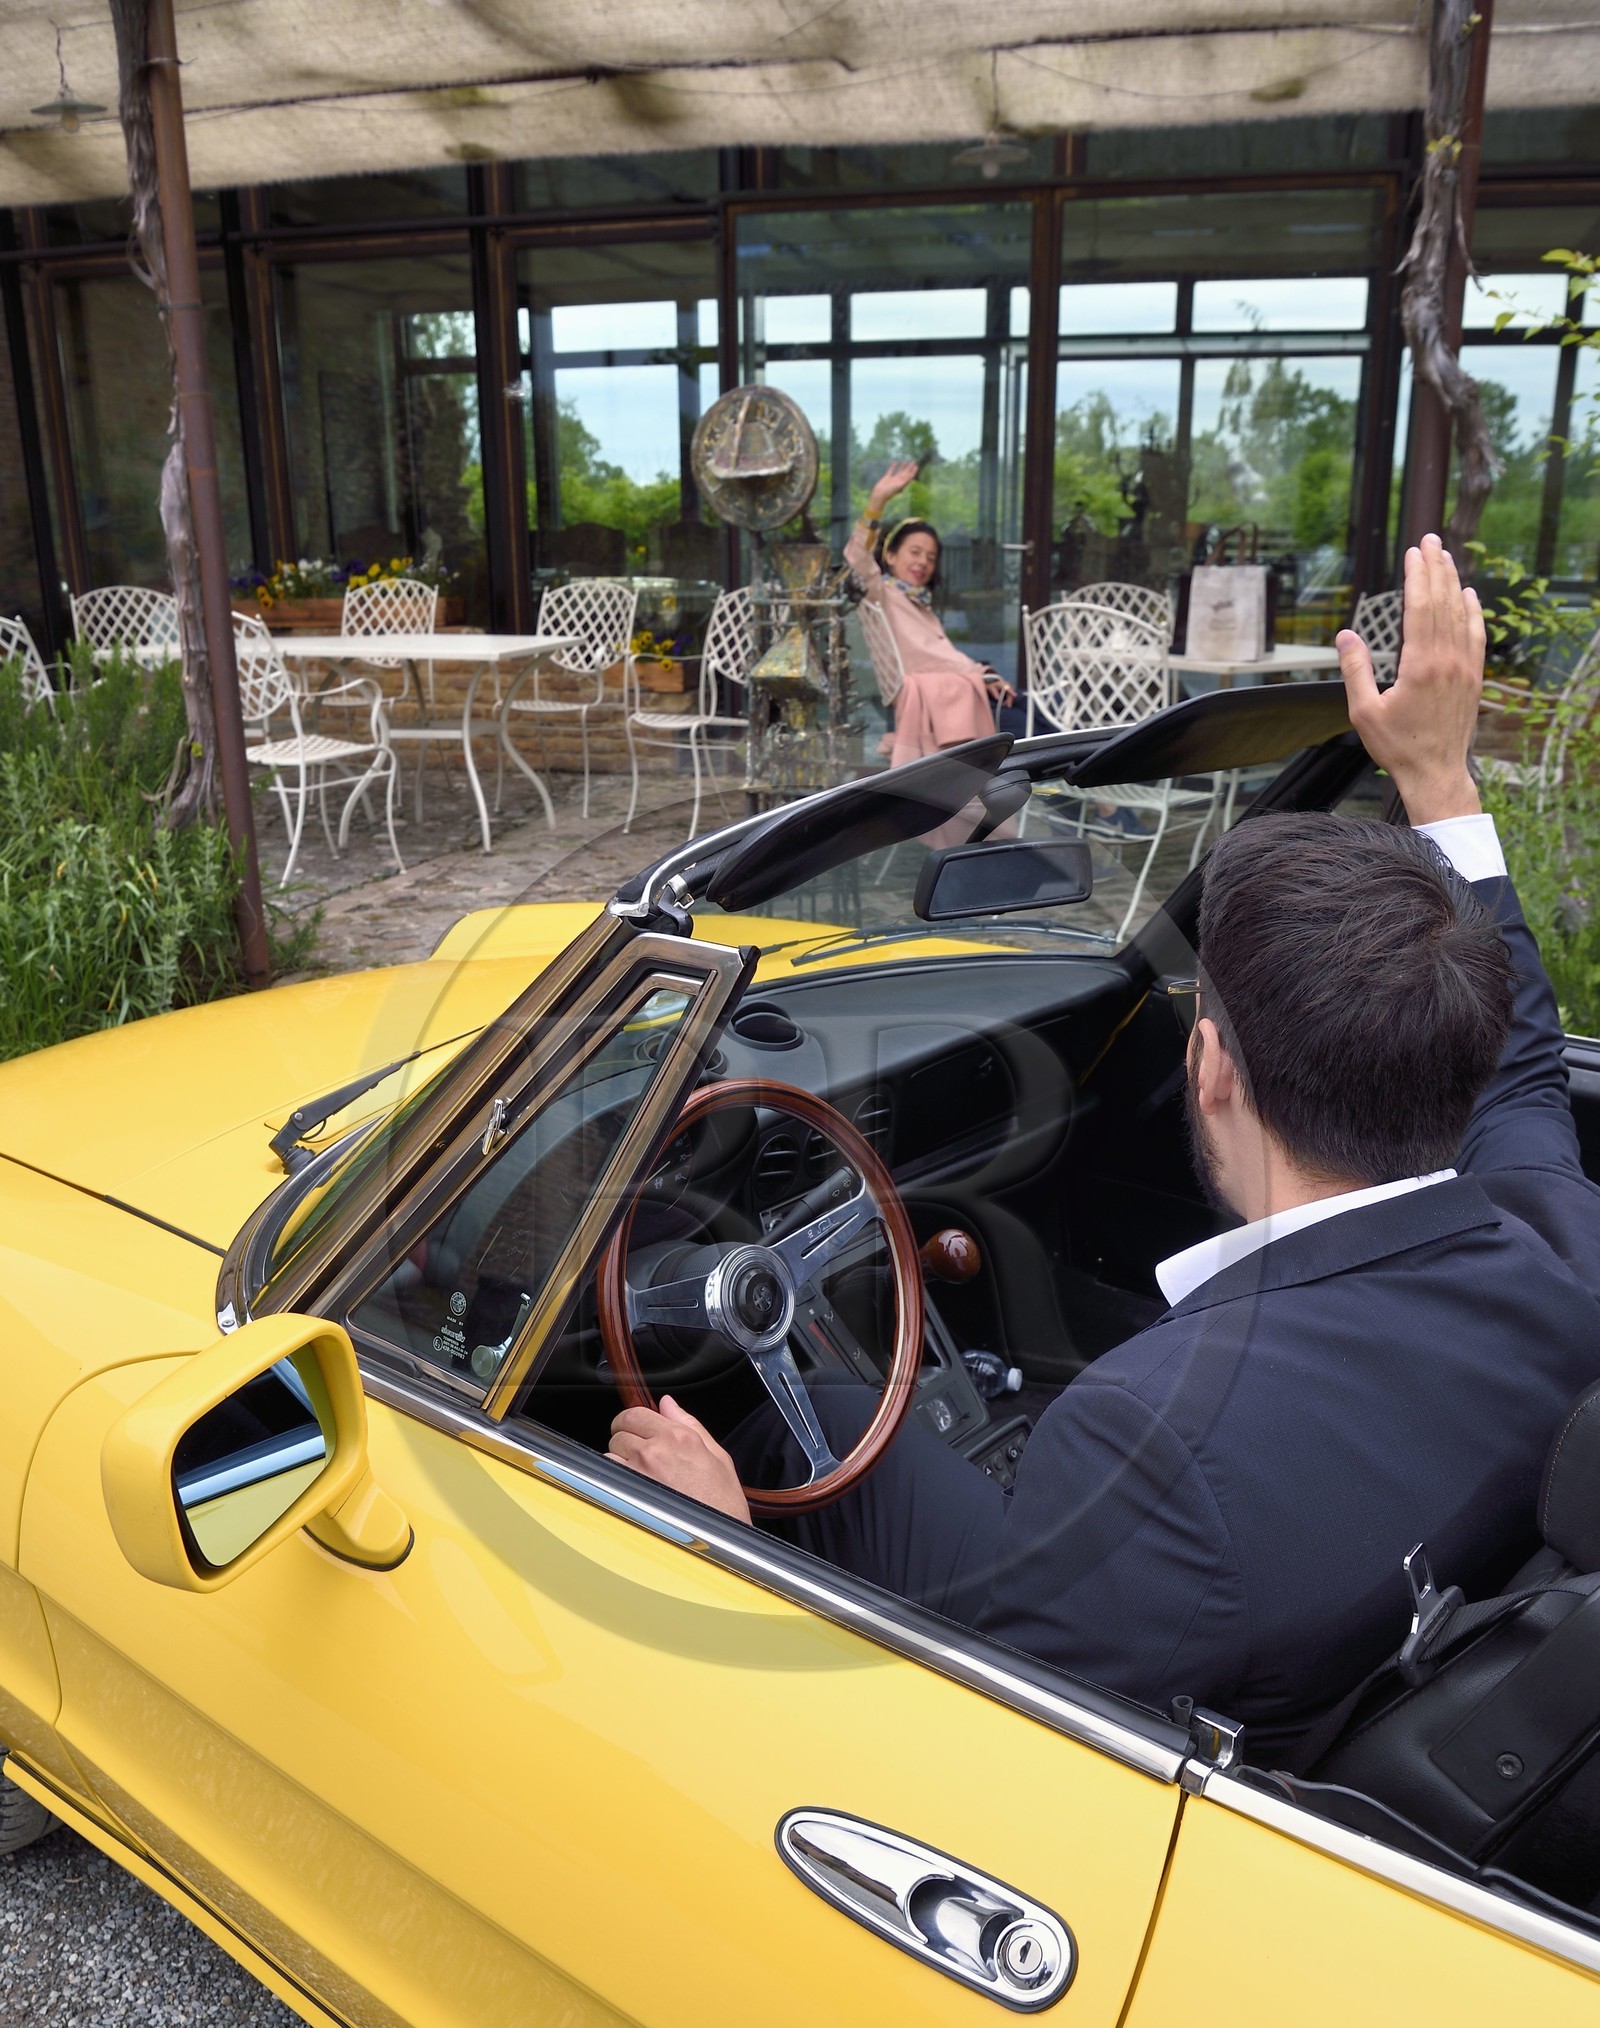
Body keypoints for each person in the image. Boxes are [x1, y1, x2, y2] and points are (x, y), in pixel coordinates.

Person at [609, 538, 1600, 1762]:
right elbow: (1524, 1053)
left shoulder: (1155, 1443)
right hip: (1337, 1614)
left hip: (1175, 1705)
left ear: (1210, 1067)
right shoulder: (1560, 1247)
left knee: (801, 1411)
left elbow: (965, 1733)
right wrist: (1438, 778)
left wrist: (725, 1545)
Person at [846, 459, 1015, 773]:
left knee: (1044, 727)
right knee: (1045, 739)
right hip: (949, 705)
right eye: (914, 552)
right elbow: (858, 560)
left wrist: (984, 673)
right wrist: (877, 501)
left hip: (965, 695)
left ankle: (1105, 810)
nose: (923, 562)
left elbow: (941, 657)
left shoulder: (920, 604)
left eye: (931, 557)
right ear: (891, 556)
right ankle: (1108, 812)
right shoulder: (881, 594)